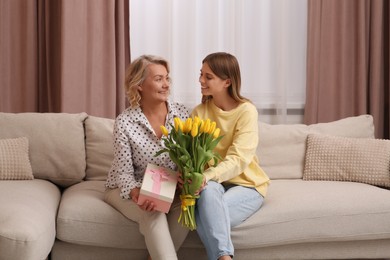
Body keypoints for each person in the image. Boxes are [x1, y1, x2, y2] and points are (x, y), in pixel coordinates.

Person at [104, 55, 190, 260]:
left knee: (188, 208)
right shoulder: (125, 122)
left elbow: (188, 160)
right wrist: (137, 193)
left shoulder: (183, 115)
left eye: (167, 78)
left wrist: (184, 178)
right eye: (159, 79)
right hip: (125, 187)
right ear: (140, 84)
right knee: (153, 211)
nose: (166, 84)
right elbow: (123, 173)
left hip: (168, 188)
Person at [191, 52, 270, 260]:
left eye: (208, 77)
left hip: (247, 185)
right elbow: (193, 158)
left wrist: (206, 177)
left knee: (203, 216)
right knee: (209, 200)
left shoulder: (246, 111)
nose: (201, 80)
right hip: (212, 185)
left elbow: (239, 158)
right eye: (201, 74)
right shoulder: (199, 113)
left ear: (227, 81)